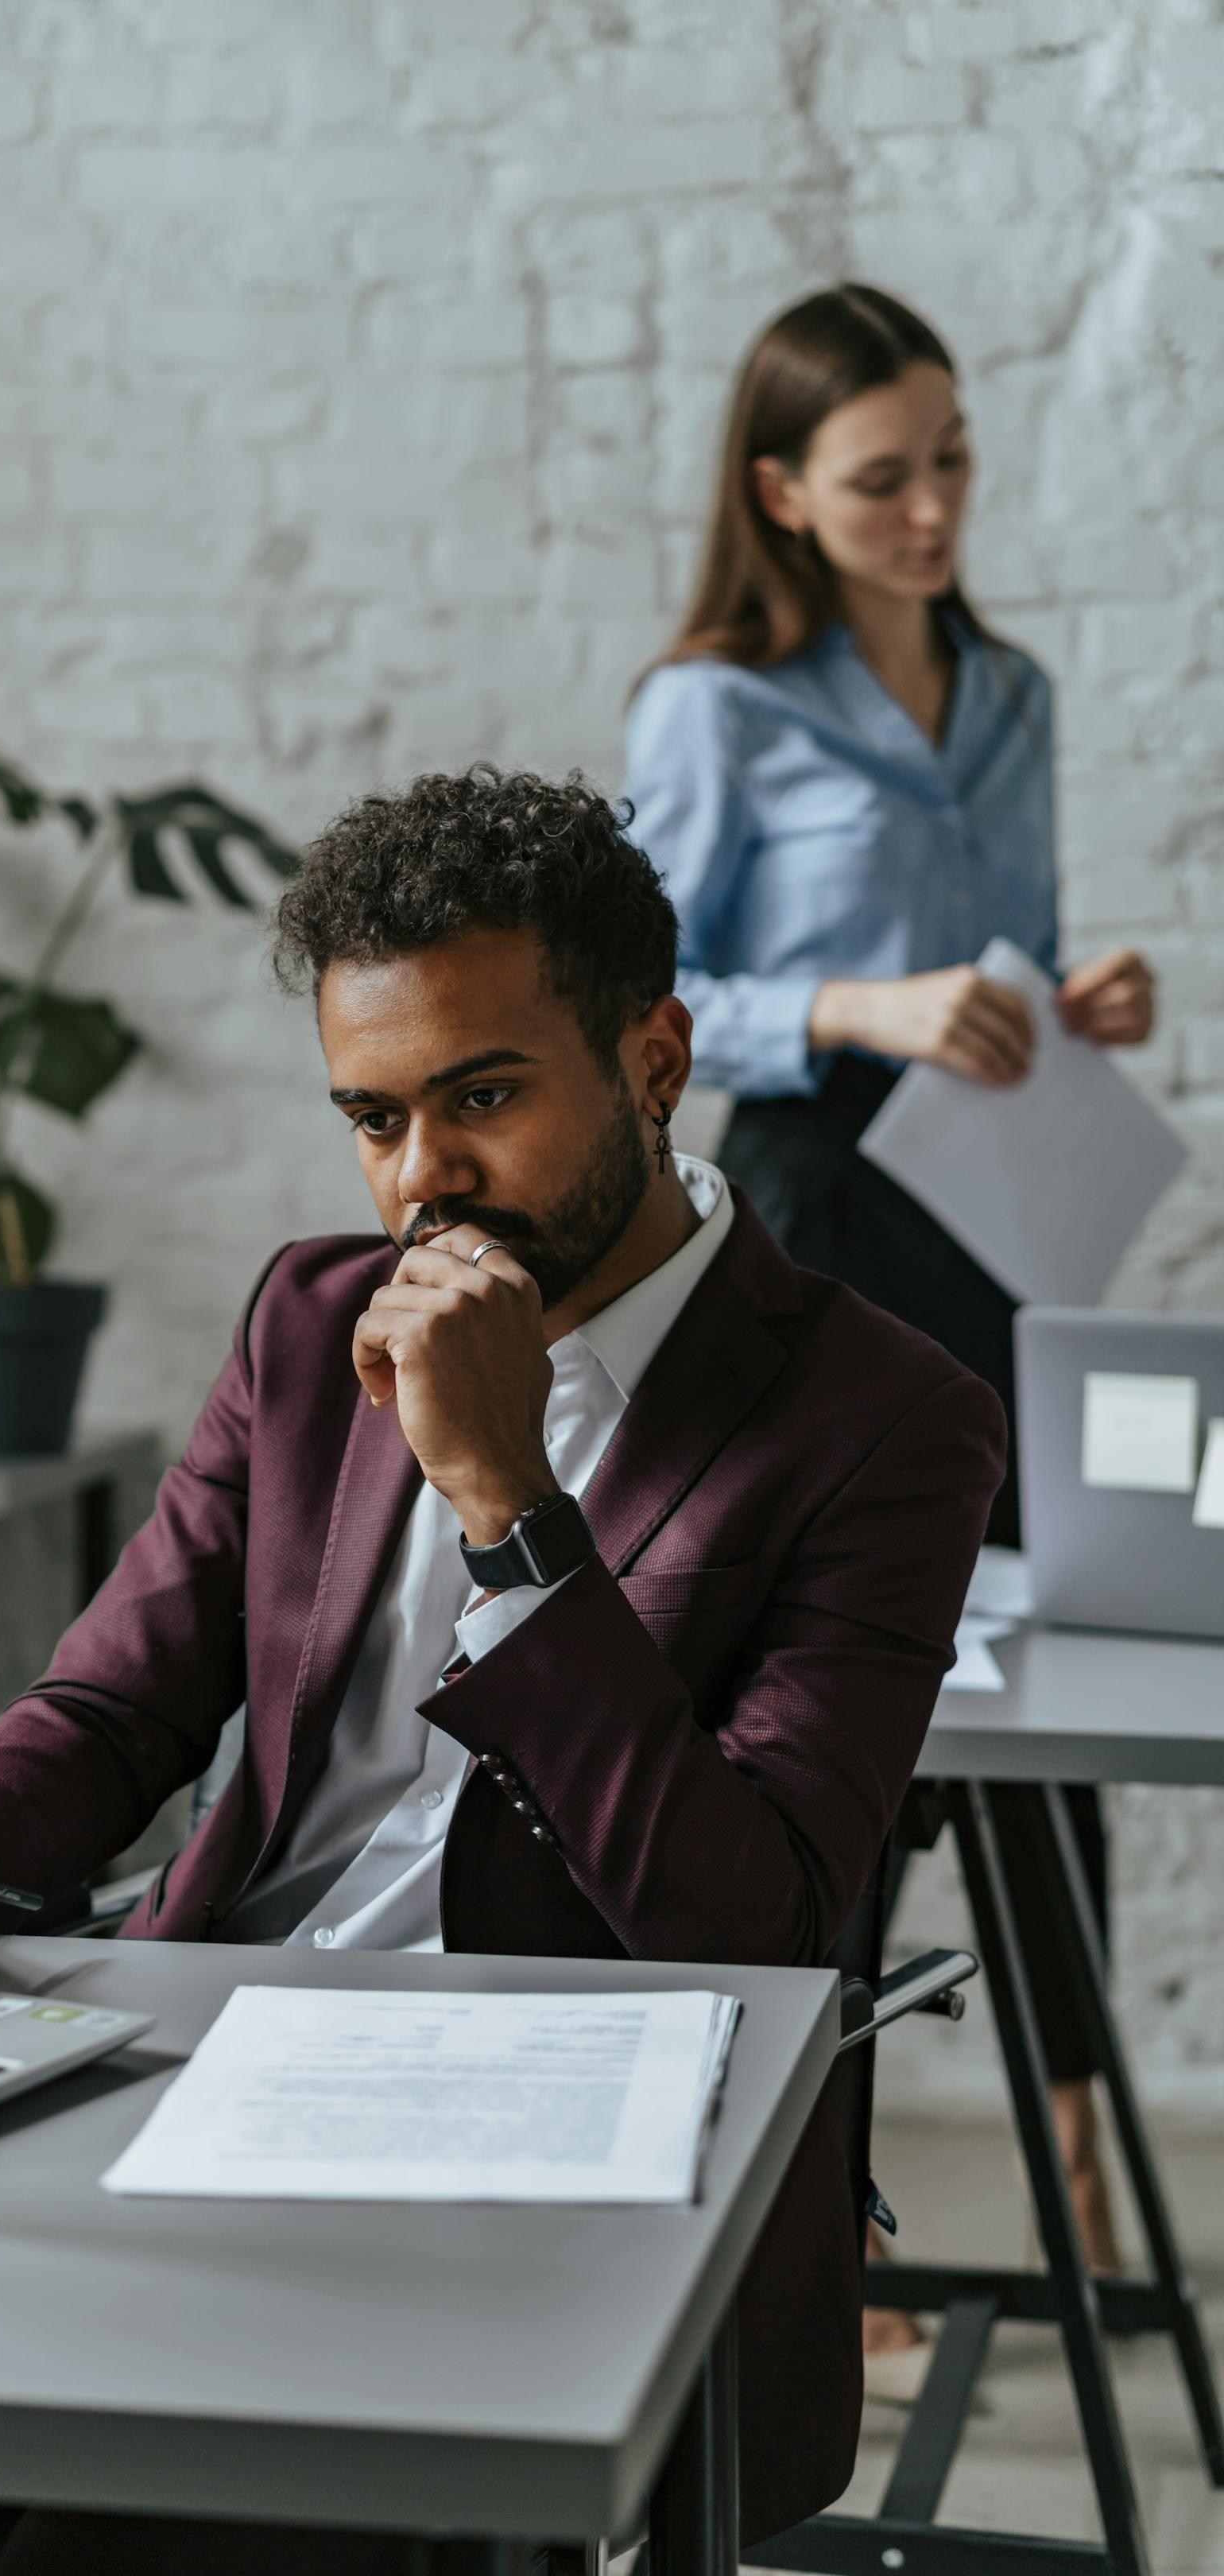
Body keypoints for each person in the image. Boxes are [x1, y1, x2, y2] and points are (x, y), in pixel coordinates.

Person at [0, 768, 1004, 2575]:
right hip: (187, 2077)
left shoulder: (884, 1419)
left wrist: (512, 1501)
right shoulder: (310, 1323)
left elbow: (754, 1927)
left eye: (487, 1097)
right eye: (373, 1117)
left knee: (95, 2548)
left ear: (658, 1058)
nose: (421, 1178)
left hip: (540, 2182)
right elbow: (117, 1700)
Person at [621, 283, 1156, 2383]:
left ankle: (1087, 2182)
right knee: (839, 1709)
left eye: (950, 462)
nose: (931, 507)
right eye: (881, 477)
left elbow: (995, 959)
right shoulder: (717, 708)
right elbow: (648, 1015)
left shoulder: (1010, 690)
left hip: (1001, 1203)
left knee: (1052, 1680)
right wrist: (860, 1006)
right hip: (821, 1222)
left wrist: (1062, 996)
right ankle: (810, 2235)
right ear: (781, 492)